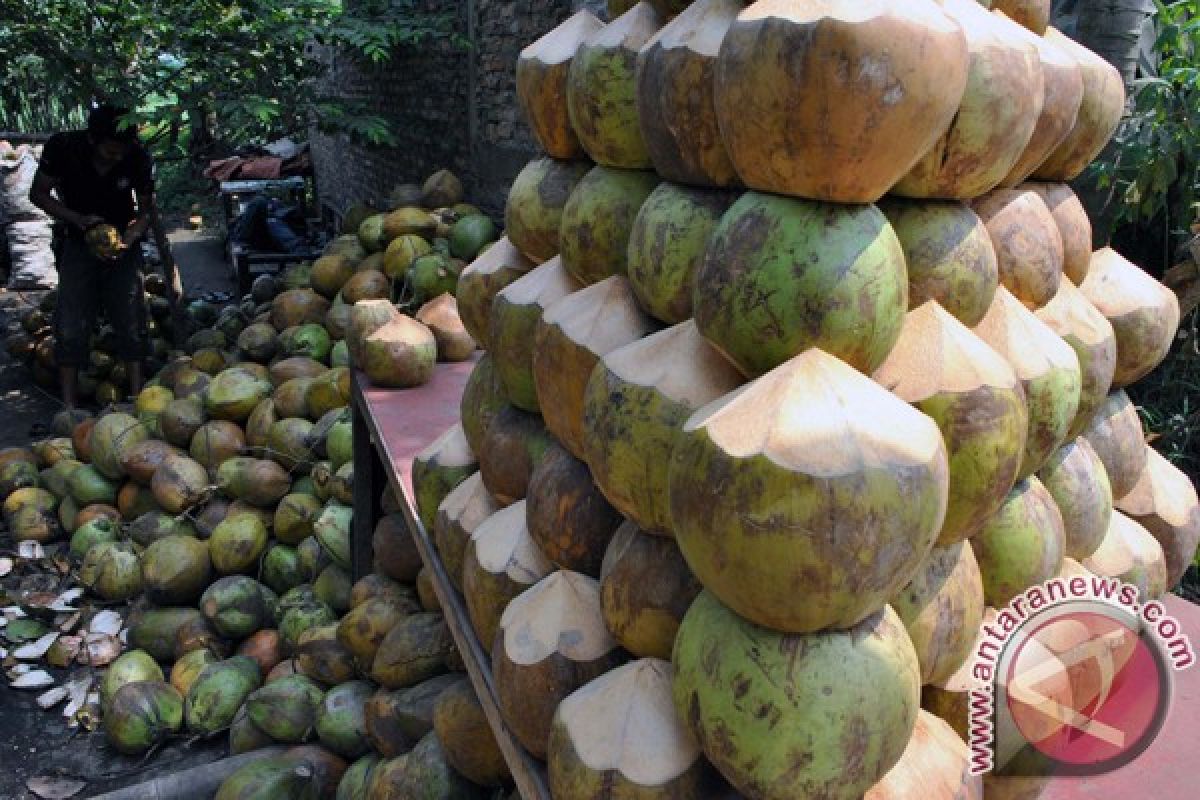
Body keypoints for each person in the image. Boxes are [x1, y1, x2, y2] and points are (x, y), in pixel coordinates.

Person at [29, 103, 154, 409]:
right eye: (111, 151)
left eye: (122, 151)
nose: (117, 157)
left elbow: (148, 209)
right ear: (92, 140)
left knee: (131, 317)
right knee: (71, 322)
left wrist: (131, 236)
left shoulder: (136, 156)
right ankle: (69, 407)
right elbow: (38, 193)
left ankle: (137, 398)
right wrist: (77, 219)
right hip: (77, 241)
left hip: (123, 243)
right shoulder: (63, 147)